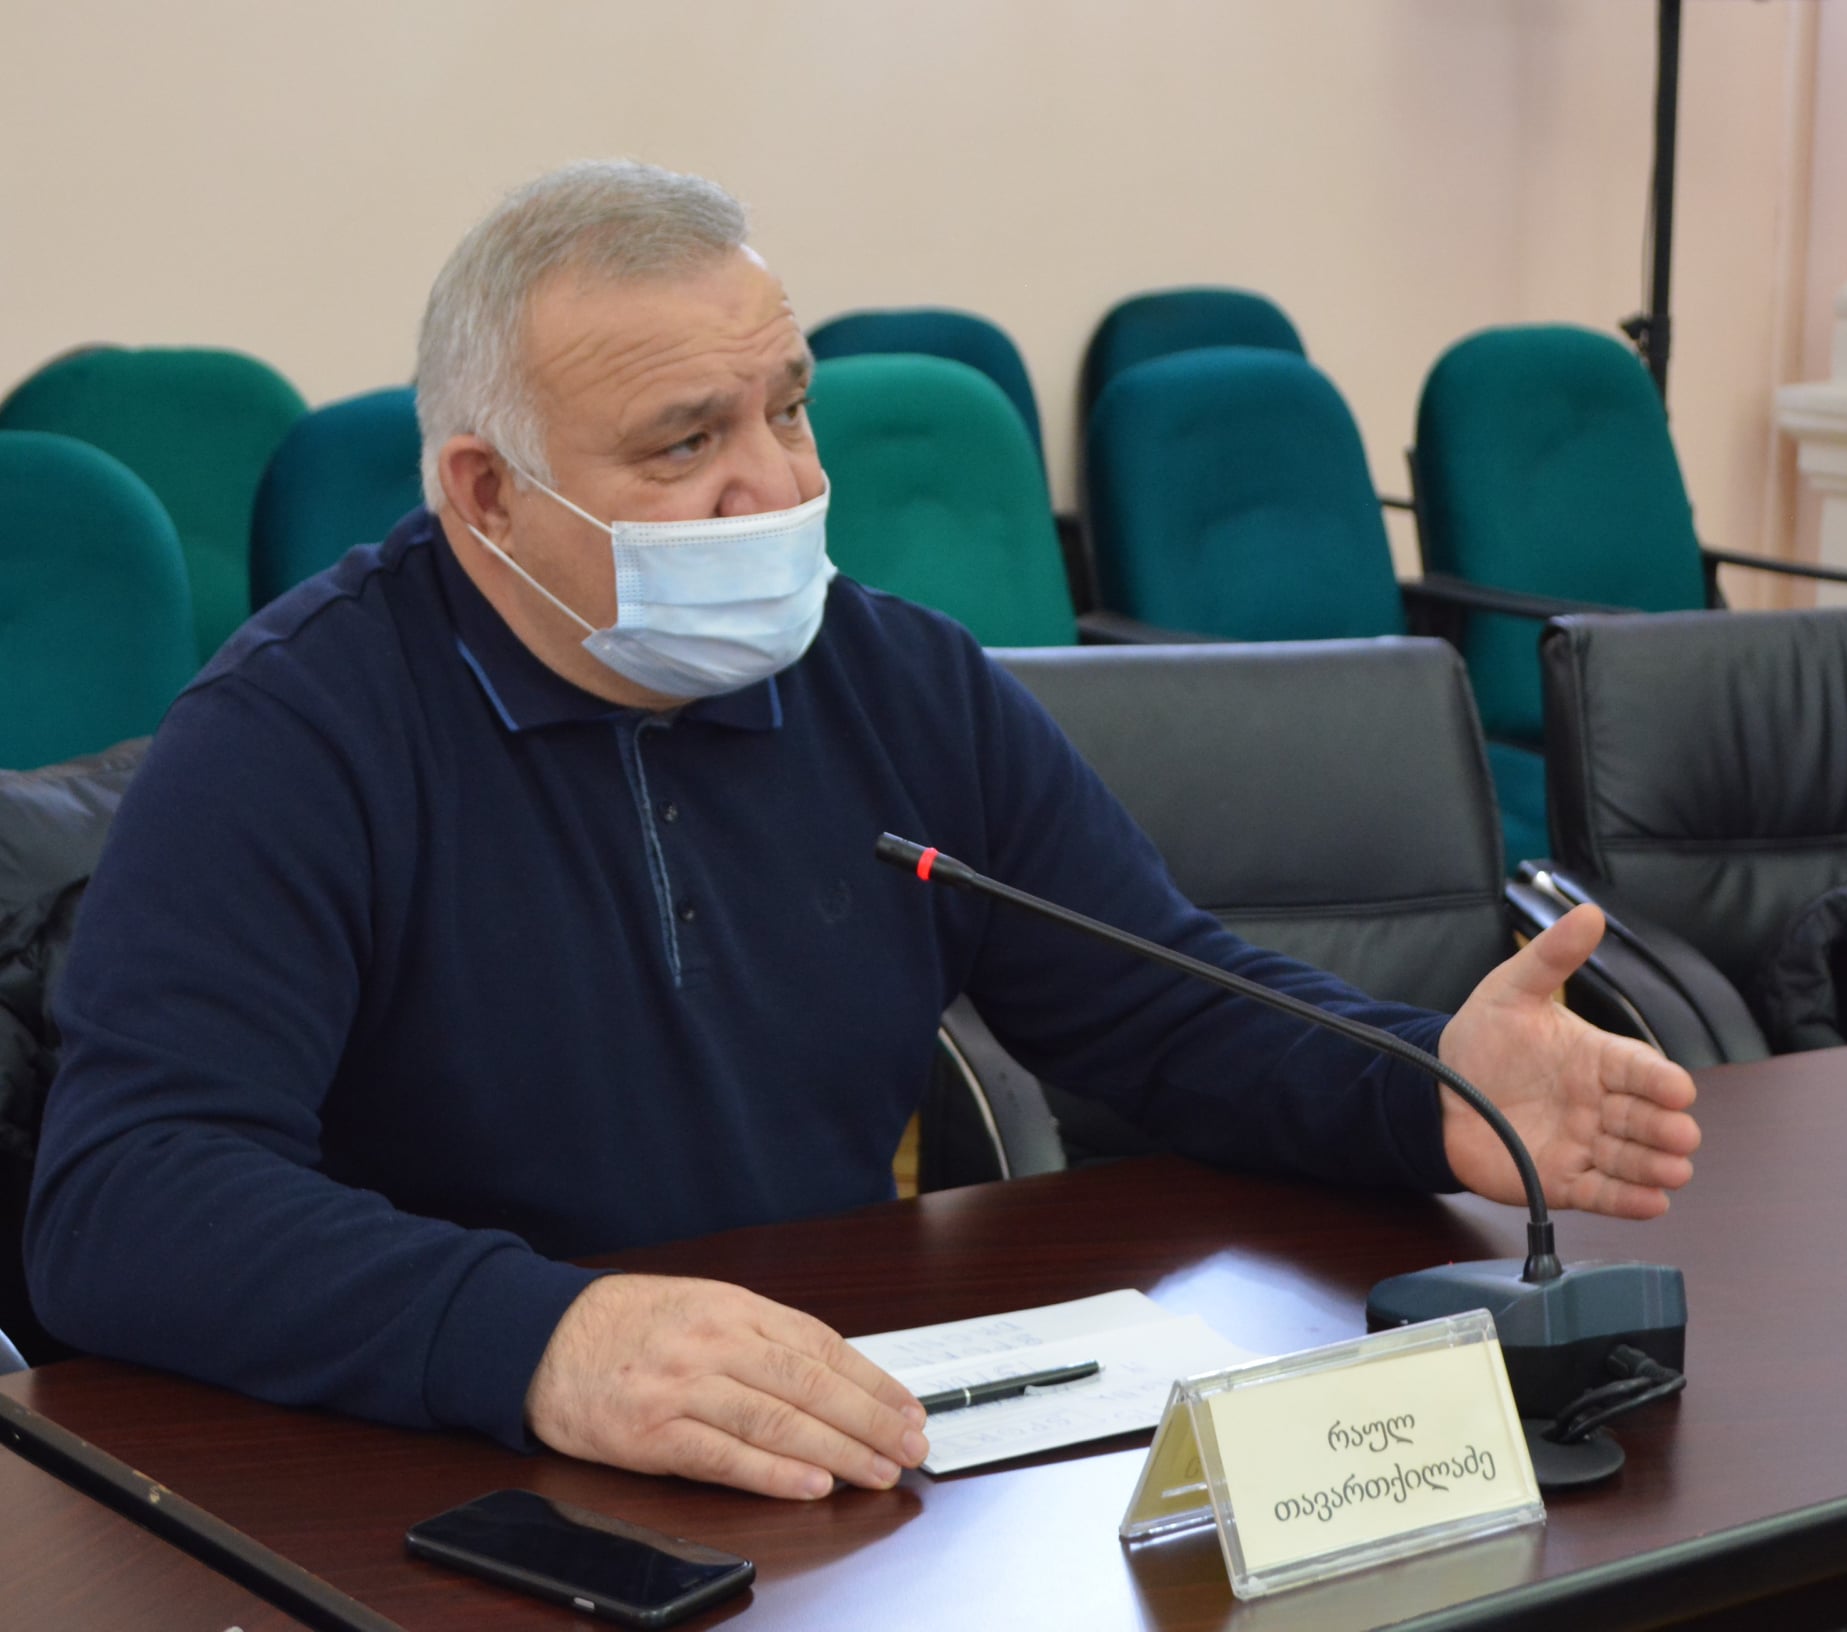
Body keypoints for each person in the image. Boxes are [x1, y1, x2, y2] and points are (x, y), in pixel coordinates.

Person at [24, 161, 1699, 1504]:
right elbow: (127, 1202)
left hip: (823, 1447)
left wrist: (1430, 1091)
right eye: (687, 442)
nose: (775, 486)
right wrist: (542, 1338)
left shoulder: (895, 679)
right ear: (485, 493)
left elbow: (1161, 1006)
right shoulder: (292, 736)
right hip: (430, 1480)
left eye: (787, 408)